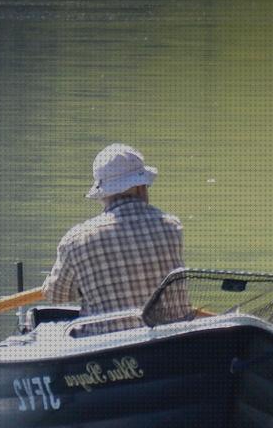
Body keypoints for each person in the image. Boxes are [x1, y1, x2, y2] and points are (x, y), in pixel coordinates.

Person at [42, 143, 190, 335]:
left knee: (45, 331)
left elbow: (56, 295)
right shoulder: (171, 226)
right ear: (139, 186)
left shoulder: (76, 240)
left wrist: (85, 280)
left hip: (108, 347)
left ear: (103, 192)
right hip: (172, 341)